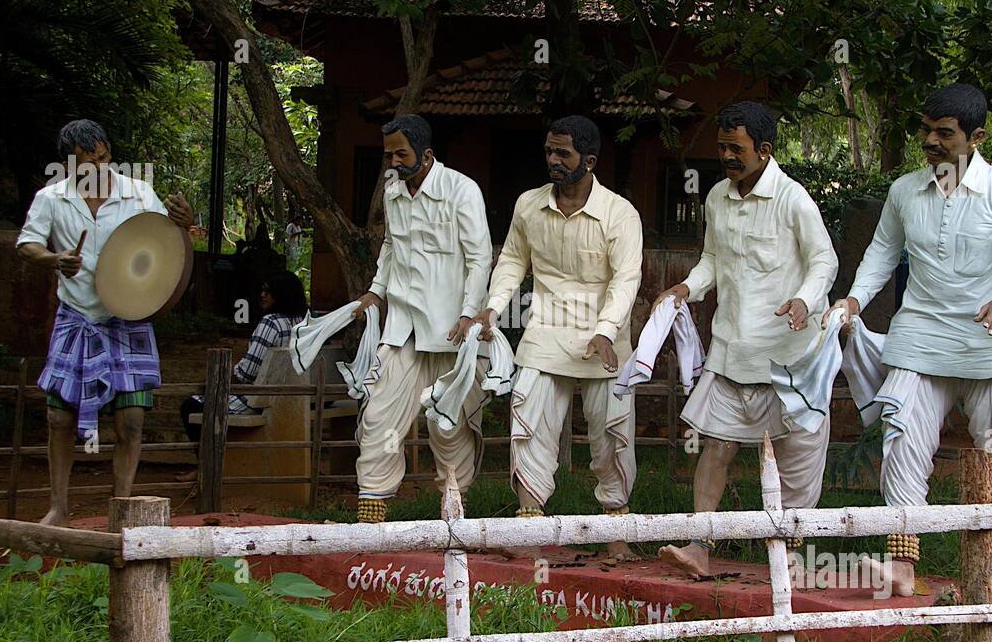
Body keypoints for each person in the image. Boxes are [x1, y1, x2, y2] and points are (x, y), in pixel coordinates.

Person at [823, 83, 992, 599]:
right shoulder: (905, 192)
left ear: (976, 137)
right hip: (921, 337)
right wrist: (853, 300)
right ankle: (902, 565)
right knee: (901, 441)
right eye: (926, 130)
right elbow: (882, 252)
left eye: (945, 133)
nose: (931, 141)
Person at [653, 101, 839, 579]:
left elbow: (825, 261)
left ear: (765, 149)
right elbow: (711, 260)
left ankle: (792, 559)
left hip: (788, 356)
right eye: (721, 147)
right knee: (715, 447)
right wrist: (686, 288)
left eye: (735, 148)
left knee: (796, 460)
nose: (726, 156)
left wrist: (803, 299)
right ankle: (699, 545)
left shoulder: (794, 199)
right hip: (732, 348)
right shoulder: (717, 197)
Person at [471, 115, 643, 562]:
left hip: (604, 337)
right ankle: (530, 527)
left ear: (588, 160)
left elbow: (626, 280)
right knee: (529, 422)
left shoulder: (620, 213)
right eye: (548, 151)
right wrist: (492, 307)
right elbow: (511, 260)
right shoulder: (528, 205)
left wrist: (606, 331)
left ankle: (616, 533)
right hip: (545, 330)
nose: (552, 159)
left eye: (562, 153)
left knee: (612, 433)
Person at [17, 119, 192, 526]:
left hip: (128, 316)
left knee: (130, 420)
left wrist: (182, 221)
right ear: (70, 163)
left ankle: (123, 508)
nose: (98, 165)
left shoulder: (138, 193)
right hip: (75, 316)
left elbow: (166, 239)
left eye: (103, 156)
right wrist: (53, 259)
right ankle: (58, 508)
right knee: (58, 417)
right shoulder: (52, 198)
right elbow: (27, 245)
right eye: (87, 160)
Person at [349, 114, 493, 521]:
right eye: (388, 154)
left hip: (450, 331)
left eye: (401, 153)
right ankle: (370, 522)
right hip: (403, 329)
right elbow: (391, 249)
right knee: (379, 416)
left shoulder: (461, 190)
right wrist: (376, 293)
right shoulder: (393, 192)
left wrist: (469, 314)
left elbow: (480, 258)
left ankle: (453, 521)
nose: (392, 161)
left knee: (448, 427)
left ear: (426, 154)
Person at [175, 270, 308, 481]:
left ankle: (206, 467)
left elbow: (248, 371)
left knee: (190, 405)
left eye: (268, 291)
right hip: (295, 397)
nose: (262, 295)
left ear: (281, 294)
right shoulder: (305, 322)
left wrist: (216, 384)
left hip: (258, 398)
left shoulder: (271, 322)